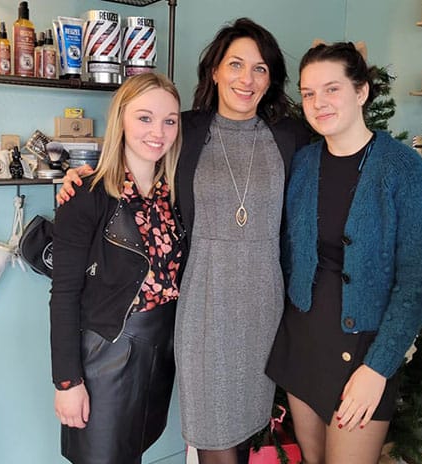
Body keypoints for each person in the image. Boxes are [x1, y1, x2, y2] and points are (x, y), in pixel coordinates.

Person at [56, 18, 311, 464]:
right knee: (210, 439)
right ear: (214, 70)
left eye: (260, 68)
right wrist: (80, 174)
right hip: (201, 317)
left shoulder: (289, 136)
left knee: (240, 433)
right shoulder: (188, 130)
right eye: (235, 64)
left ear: (271, 79)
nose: (246, 78)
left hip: (261, 313)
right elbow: (138, 139)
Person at [266, 42, 422, 464]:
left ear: (361, 92)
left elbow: (418, 282)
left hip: (364, 353)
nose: (318, 103)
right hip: (304, 343)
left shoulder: (403, 169)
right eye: (308, 93)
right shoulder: (304, 163)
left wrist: (379, 368)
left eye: (332, 89)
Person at [50, 72, 185, 464]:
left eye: (169, 120)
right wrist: (67, 381)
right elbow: (64, 295)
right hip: (107, 354)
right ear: (121, 120)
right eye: (144, 118)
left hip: (159, 354)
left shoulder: (174, 195)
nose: (157, 131)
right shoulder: (86, 196)